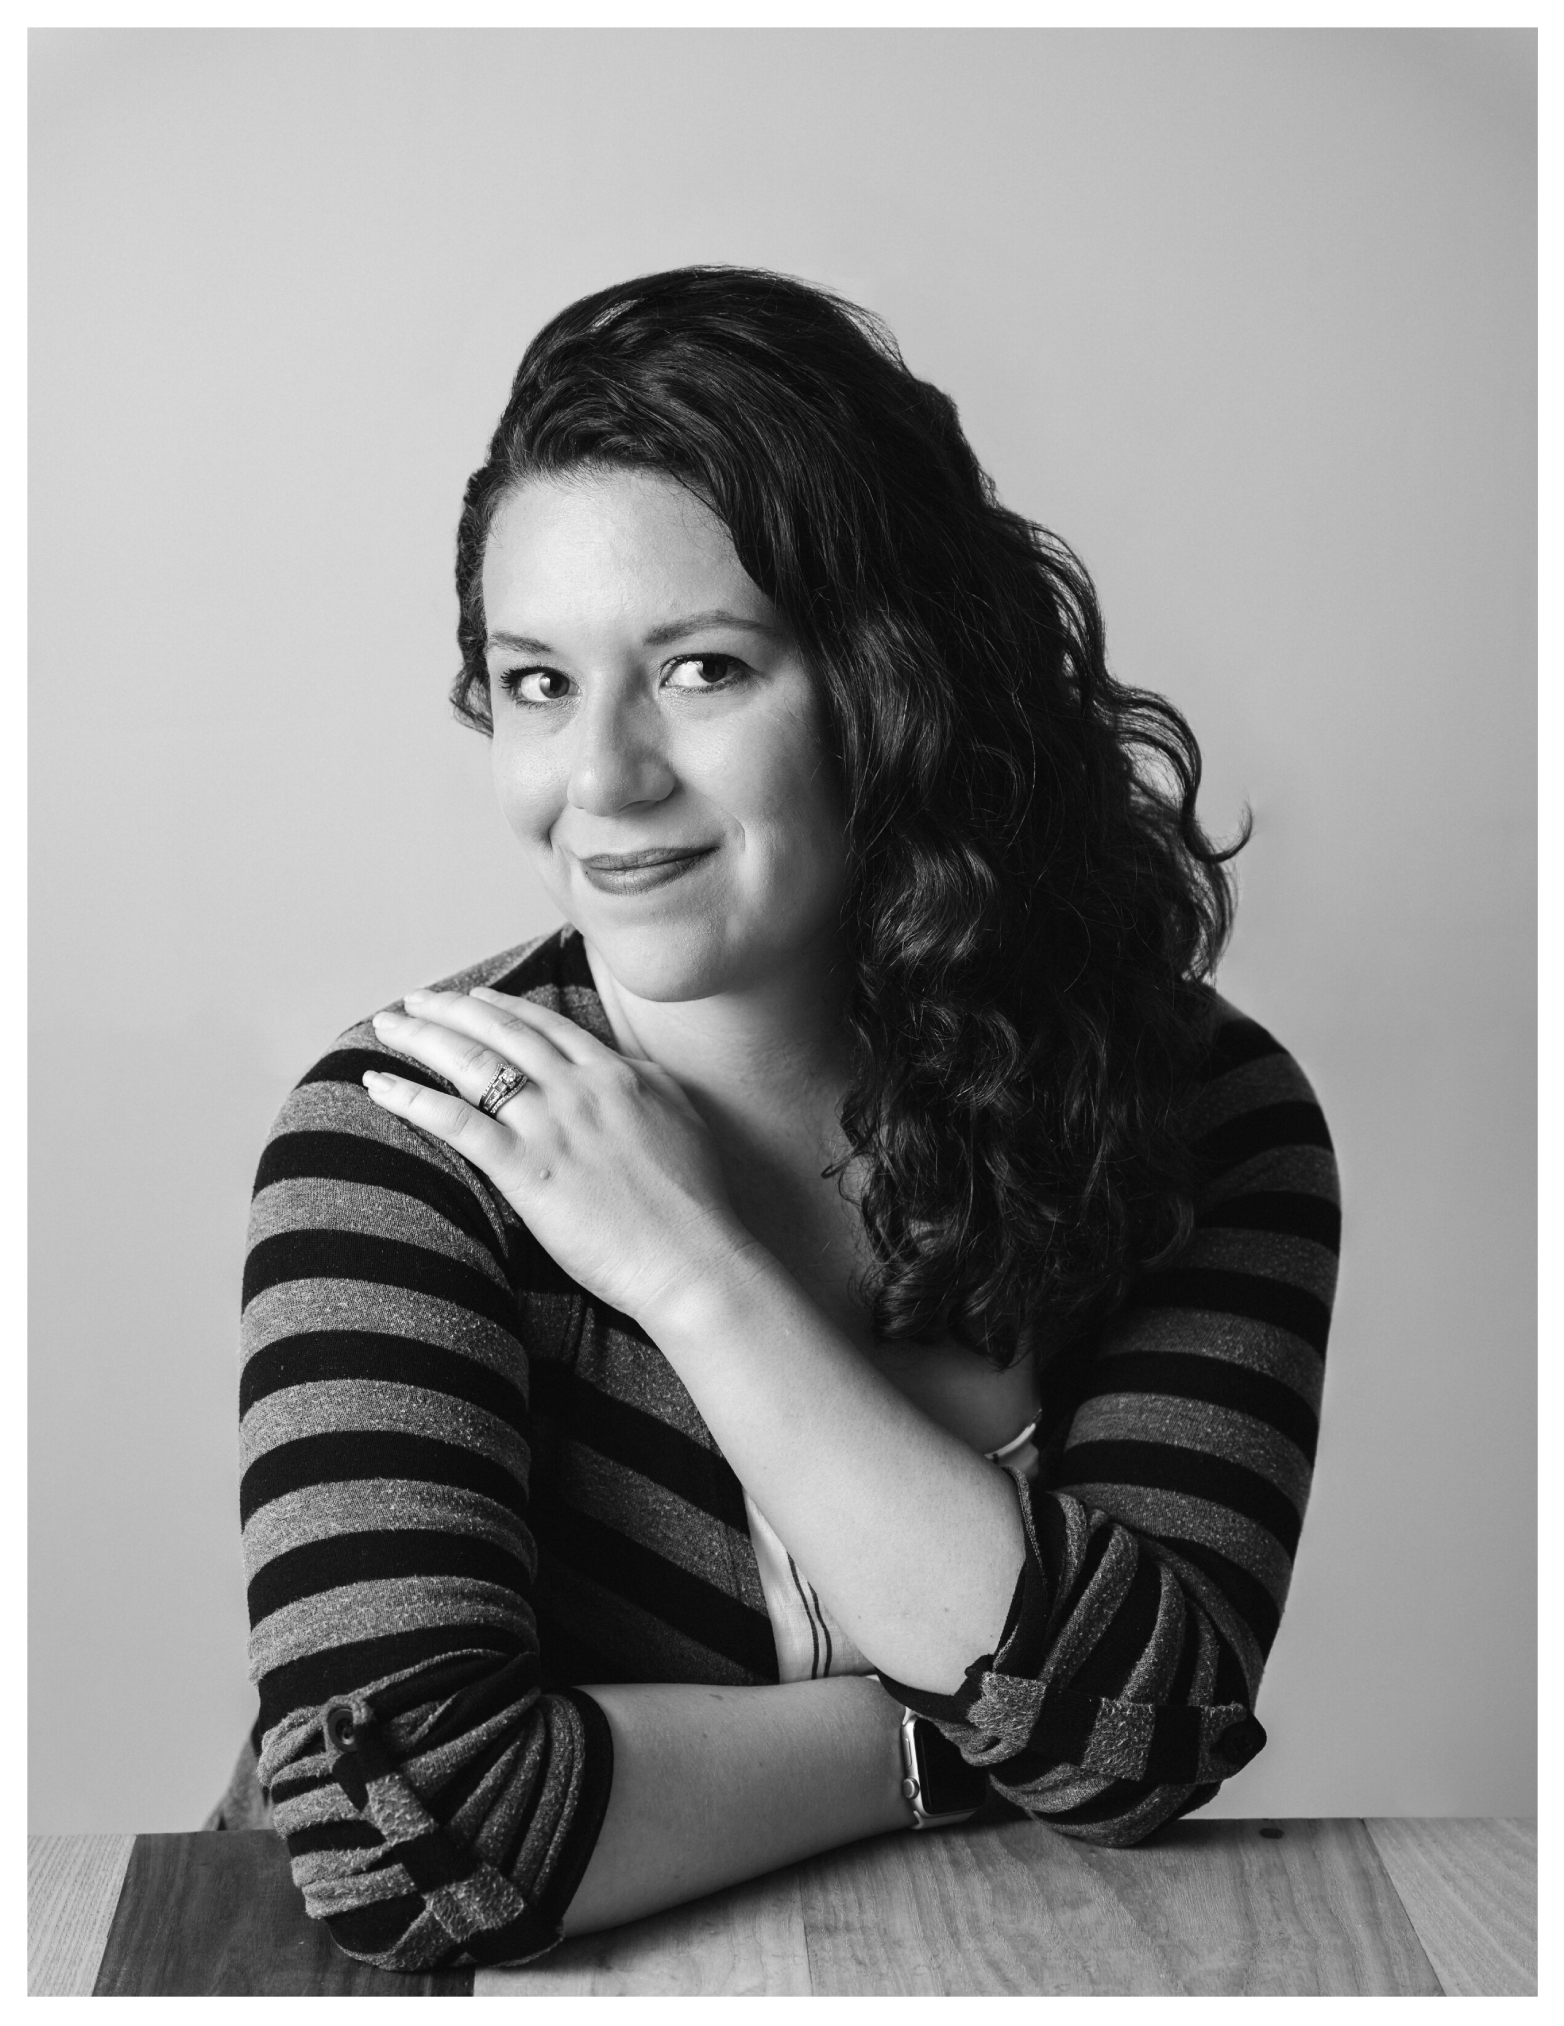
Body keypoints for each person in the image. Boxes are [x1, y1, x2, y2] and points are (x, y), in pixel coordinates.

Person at [229, 267, 1340, 1971]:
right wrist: (960, 1729)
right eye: (536, 682)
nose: (602, 778)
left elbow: (1147, 1739)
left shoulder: (1202, 1119)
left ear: (897, 683)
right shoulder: (403, 1140)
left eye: (701, 667)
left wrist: (697, 1278)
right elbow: (418, 1840)